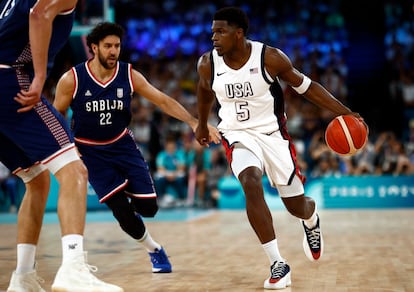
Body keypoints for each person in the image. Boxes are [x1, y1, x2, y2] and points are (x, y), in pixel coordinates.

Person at [195, 7, 365, 290]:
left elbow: (307, 87)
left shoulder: (270, 58)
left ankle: (311, 220)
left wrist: (345, 113)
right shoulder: (207, 64)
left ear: (239, 34)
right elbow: (204, 91)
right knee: (250, 181)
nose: (213, 37)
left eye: (220, 31)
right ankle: (278, 263)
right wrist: (202, 124)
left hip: (274, 135)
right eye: (213, 31)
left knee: (296, 206)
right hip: (236, 134)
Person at [52, 22, 221, 273]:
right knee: (122, 212)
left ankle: (128, 202)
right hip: (90, 151)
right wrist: (68, 147)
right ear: (94, 48)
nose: (113, 51)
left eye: (117, 46)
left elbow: (162, 100)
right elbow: (57, 116)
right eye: (107, 46)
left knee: (148, 208)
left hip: (122, 145)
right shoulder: (72, 79)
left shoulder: (129, 74)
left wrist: (195, 122)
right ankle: (154, 249)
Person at [0, 1, 123, 291]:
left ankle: (23, 277)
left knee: (36, 179)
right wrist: (40, 76)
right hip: (11, 81)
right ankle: (72, 270)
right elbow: (39, 14)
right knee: (74, 171)